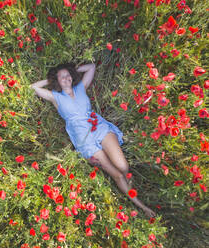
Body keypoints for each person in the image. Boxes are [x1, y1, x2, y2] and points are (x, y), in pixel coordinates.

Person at [30, 62, 156, 218]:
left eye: (67, 75)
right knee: (116, 174)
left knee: (123, 167)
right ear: (57, 80)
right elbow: (33, 87)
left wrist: (72, 71)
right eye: (61, 77)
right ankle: (141, 206)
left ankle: (128, 185)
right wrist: (50, 80)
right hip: (85, 141)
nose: (66, 78)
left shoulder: (80, 87)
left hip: (98, 128)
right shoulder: (55, 97)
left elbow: (91, 67)